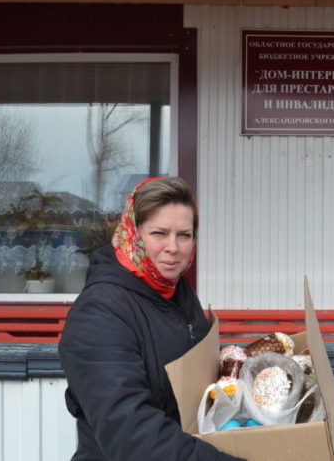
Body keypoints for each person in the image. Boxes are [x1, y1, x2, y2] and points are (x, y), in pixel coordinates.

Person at [59, 177, 244, 461]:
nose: (173, 247)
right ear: (133, 234)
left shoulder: (176, 292)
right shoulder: (99, 312)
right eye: (159, 233)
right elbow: (131, 435)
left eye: (184, 235)